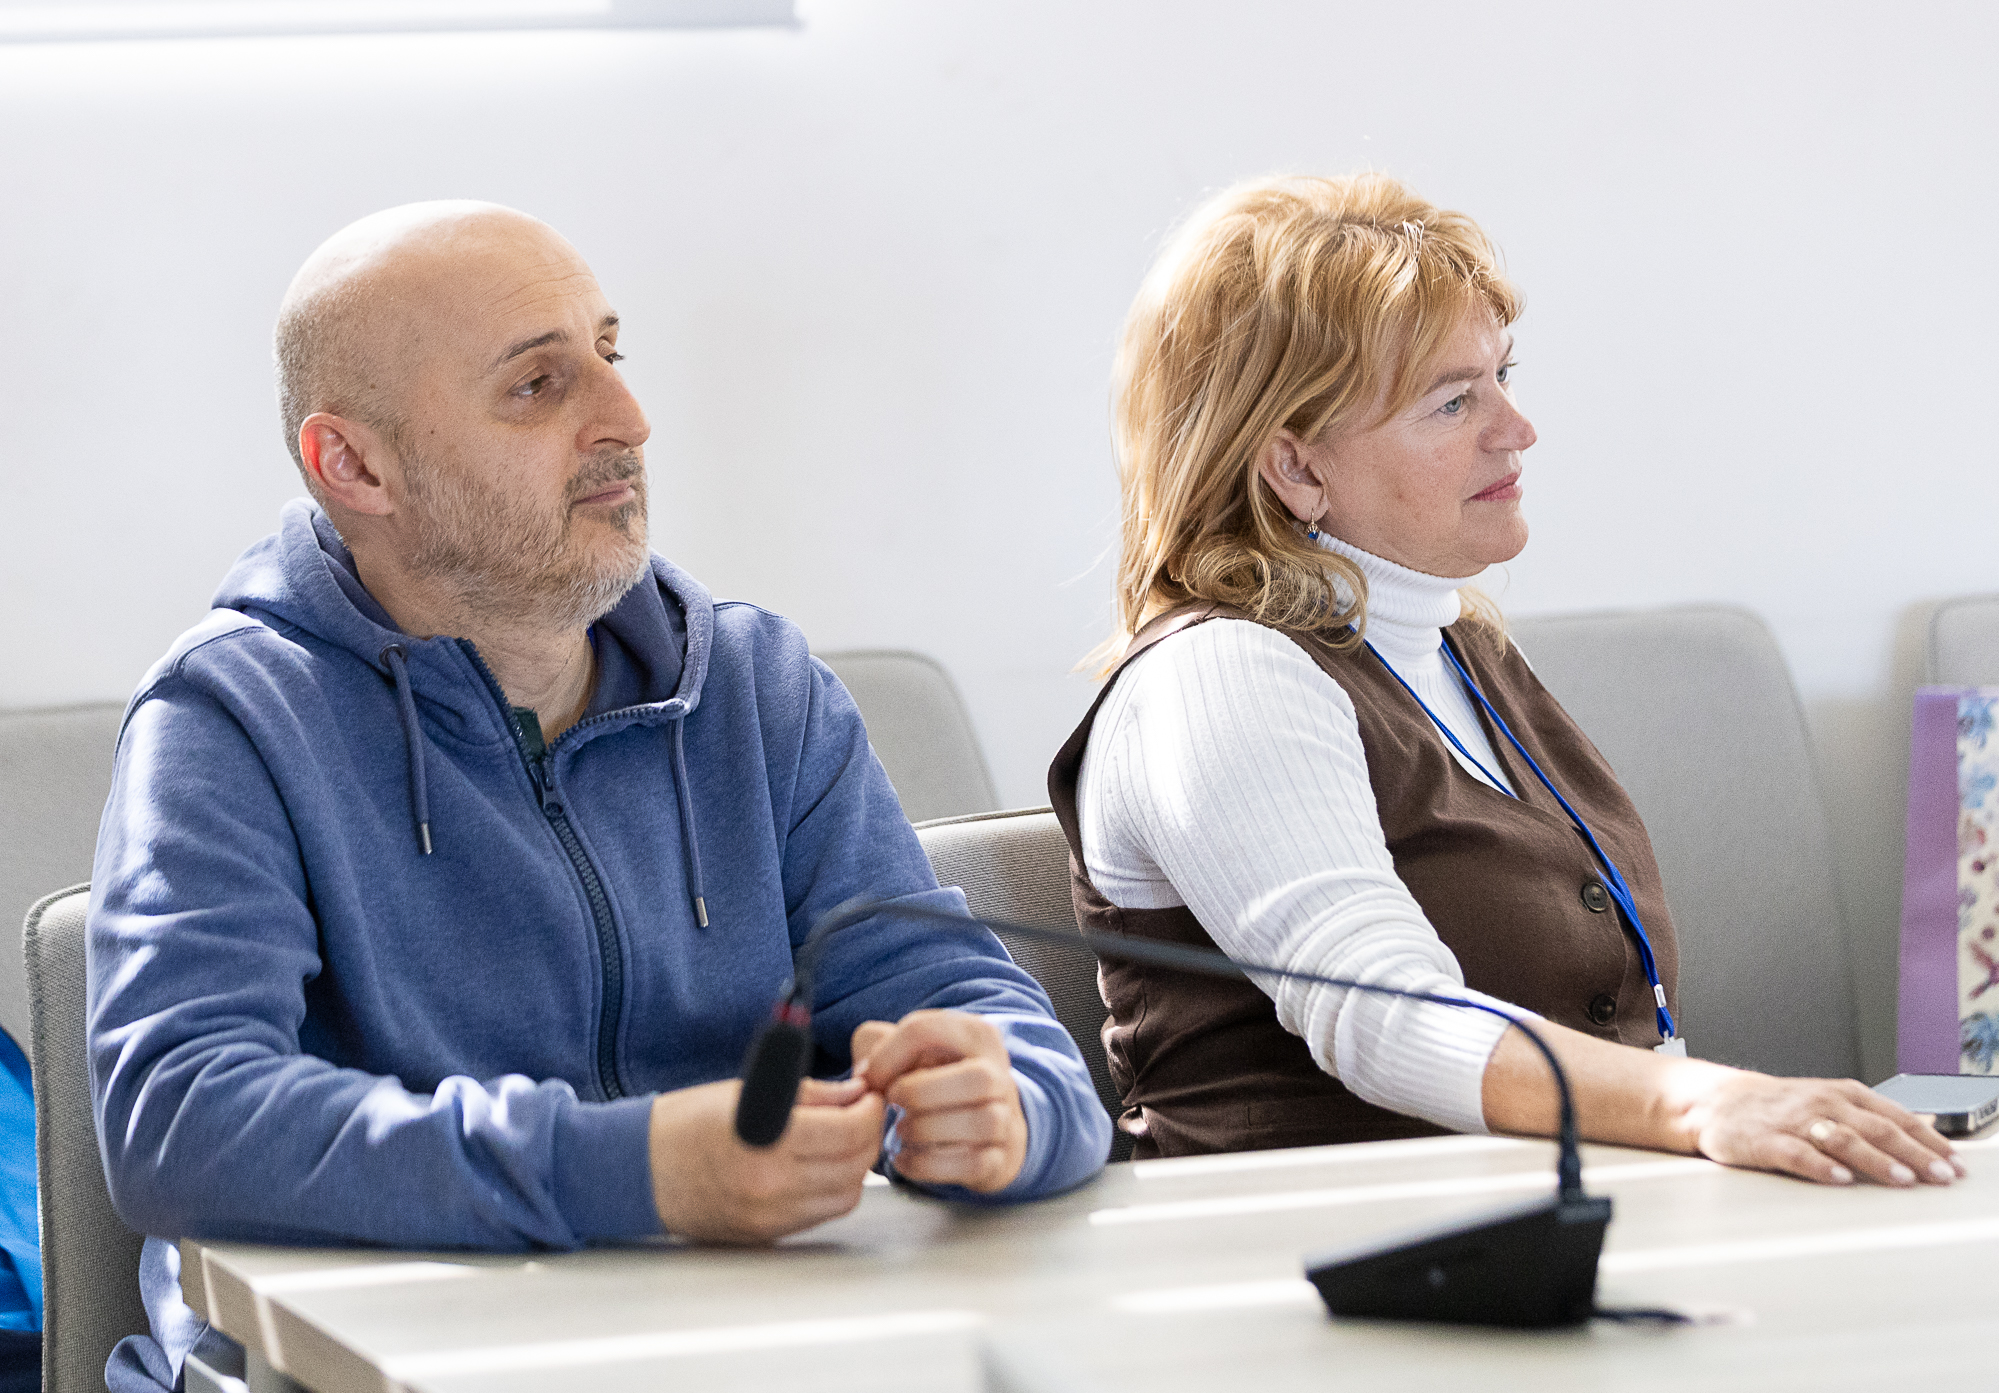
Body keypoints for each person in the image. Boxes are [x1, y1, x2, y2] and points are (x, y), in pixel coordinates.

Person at [89, 202, 1110, 1393]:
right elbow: (182, 1117)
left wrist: (1008, 1109)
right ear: (354, 466)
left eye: (611, 354)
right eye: (537, 385)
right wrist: (634, 1170)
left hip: (733, 1348)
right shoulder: (227, 717)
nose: (627, 418)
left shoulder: (758, 687)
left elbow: (976, 1008)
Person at [1048, 172, 1960, 1190]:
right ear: (1296, 469)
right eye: (1452, 401)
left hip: (1542, 1229)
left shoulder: (1459, 649)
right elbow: (1383, 1016)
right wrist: (1704, 1102)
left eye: (1501, 376)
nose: (1517, 429)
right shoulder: (1220, 674)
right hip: (1316, 1254)